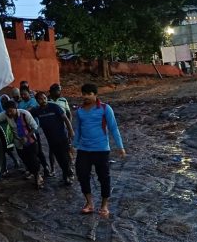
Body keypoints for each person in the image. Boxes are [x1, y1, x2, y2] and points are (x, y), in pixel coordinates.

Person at [73, 83, 126, 219]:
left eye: (88, 94)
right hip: (83, 150)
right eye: (83, 93)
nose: (85, 96)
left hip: (101, 150)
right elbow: (78, 130)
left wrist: (120, 146)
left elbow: (113, 128)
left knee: (104, 178)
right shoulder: (79, 111)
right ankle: (89, 203)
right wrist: (73, 146)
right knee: (82, 176)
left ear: (95, 95)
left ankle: (104, 205)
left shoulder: (105, 109)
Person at [31, 92, 75, 186]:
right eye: (40, 99)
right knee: (59, 157)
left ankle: (66, 176)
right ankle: (67, 171)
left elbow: (65, 119)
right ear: (37, 101)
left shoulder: (54, 107)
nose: (43, 100)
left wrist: (70, 131)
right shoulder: (37, 110)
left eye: (44, 98)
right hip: (51, 139)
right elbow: (27, 115)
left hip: (62, 136)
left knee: (65, 156)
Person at [0, 100, 43, 189]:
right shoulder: (6, 115)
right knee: (25, 159)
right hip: (19, 143)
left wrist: (27, 137)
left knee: (33, 159)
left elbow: (35, 127)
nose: (9, 113)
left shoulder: (25, 114)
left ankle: (38, 176)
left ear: (15, 108)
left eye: (11, 111)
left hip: (30, 141)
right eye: (7, 111)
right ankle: (32, 172)